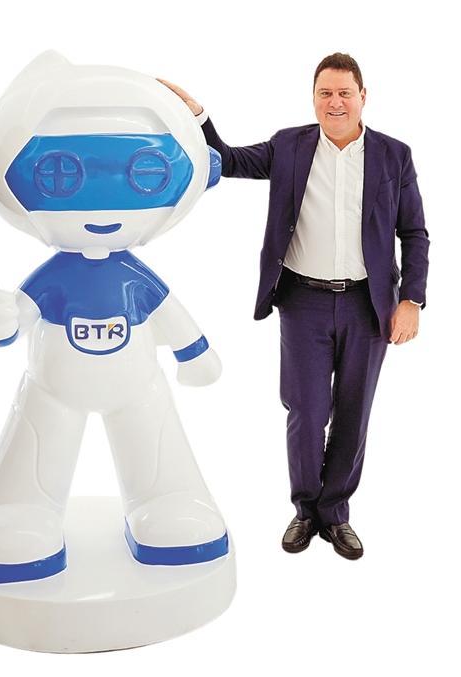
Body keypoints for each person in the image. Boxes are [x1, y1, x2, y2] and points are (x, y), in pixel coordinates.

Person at [160, 52, 429, 561]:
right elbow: (228, 160)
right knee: (306, 411)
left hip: (368, 305)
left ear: (363, 96)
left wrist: (411, 299)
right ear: (313, 98)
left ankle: (336, 514)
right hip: (303, 301)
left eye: (344, 92)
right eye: (325, 93)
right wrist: (197, 115)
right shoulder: (289, 146)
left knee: (353, 412)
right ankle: (306, 510)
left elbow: (414, 233)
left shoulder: (395, 155)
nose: (335, 102)